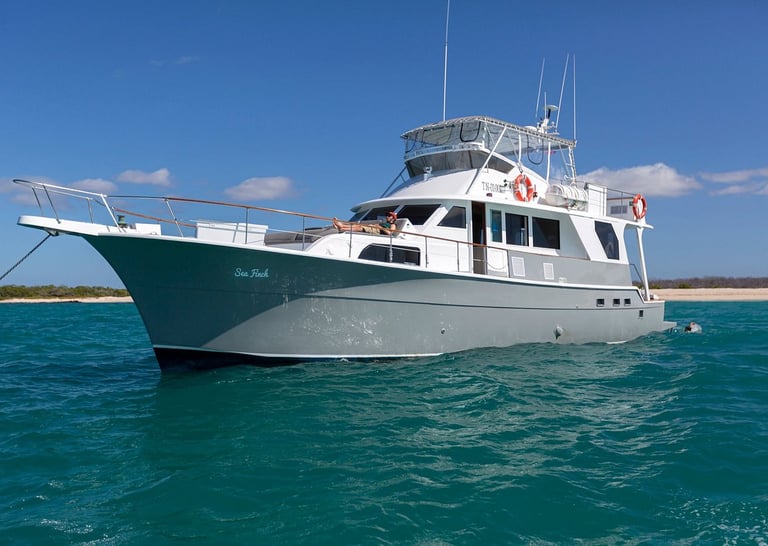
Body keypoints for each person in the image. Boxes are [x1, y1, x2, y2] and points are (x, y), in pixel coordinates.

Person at [333, 212, 398, 235]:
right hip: (374, 227)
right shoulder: (385, 223)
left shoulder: (393, 225)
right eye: (387, 215)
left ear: (393, 218)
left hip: (376, 230)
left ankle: (342, 228)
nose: (387, 216)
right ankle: (342, 226)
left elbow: (390, 233)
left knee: (360, 228)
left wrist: (380, 227)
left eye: (389, 216)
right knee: (358, 226)